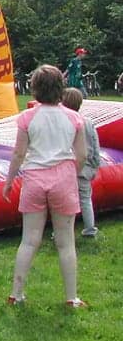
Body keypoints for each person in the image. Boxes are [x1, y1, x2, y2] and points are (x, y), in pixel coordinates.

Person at [2, 65, 87, 308]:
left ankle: (16, 293)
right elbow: (82, 155)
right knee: (66, 242)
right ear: (61, 87)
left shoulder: (27, 117)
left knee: (29, 240)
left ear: (35, 89)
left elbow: (19, 153)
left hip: (34, 178)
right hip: (63, 178)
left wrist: (9, 181)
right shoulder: (74, 118)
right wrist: (72, 174)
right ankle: (71, 297)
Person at [62, 86, 102, 237]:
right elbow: (95, 144)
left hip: (67, 167)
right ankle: (90, 228)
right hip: (85, 168)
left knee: (65, 201)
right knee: (85, 199)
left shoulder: (63, 122)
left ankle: (62, 230)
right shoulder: (88, 122)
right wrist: (95, 165)